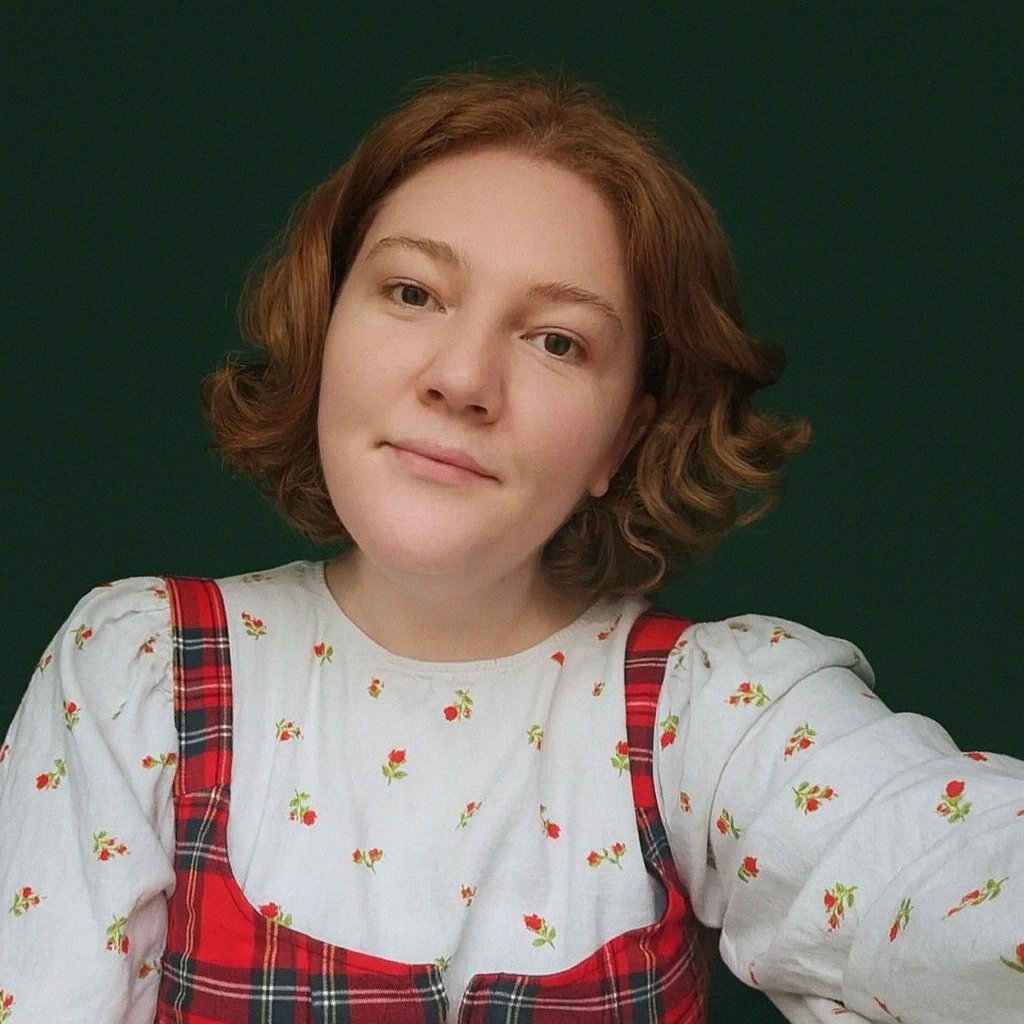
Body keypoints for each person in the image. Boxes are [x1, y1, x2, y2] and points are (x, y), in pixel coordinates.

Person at [0, 69, 1021, 1024]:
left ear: (620, 437)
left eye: (557, 340)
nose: (462, 378)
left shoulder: (714, 716)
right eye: (412, 293)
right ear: (324, 328)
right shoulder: (141, 673)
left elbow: (947, 871)